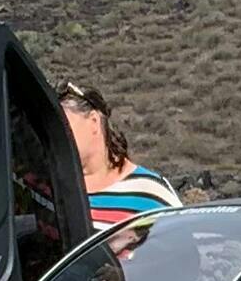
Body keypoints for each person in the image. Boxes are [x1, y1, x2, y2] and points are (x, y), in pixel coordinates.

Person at [59, 83, 180, 221]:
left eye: (64, 125)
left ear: (94, 122)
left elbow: (179, 237)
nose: (58, 134)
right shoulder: (47, 184)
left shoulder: (149, 194)